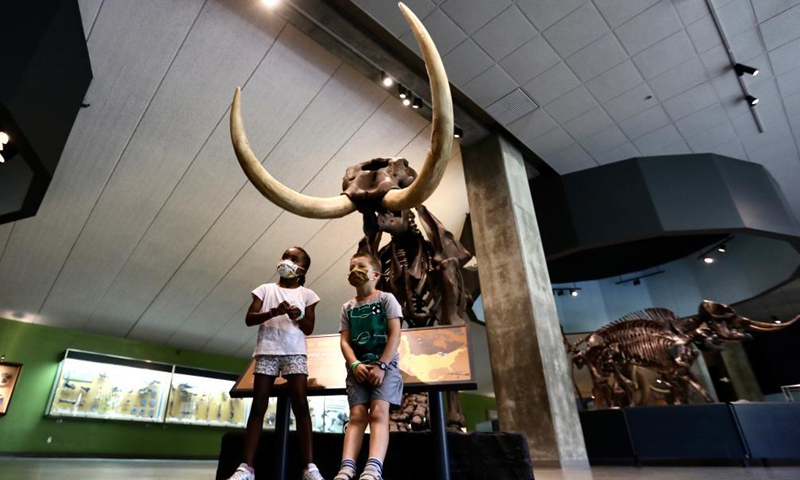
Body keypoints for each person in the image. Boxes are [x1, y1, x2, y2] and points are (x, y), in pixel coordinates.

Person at [227, 247, 324, 480]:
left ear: (302, 269)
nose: (286, 261)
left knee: (300, 404)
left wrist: (297, 315)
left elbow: (309, 327)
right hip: (267, 351)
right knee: (259, 405)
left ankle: (309, 467)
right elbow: (250, 319)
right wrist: (272, 312)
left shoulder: (307, 294)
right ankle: (246, 468)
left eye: (293, 259)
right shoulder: (265, 289)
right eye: (285, 256)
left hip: (294, 353)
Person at [334, 253, 403, 480]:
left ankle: (373, 468)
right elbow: (345, 340)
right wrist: (353, 363)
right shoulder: (347, 307)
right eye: (352, 266)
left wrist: (382, 365)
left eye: (361, 266)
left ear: (375, 274)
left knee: (379, 412)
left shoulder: (386, 299)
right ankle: (347, 467)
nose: (355, 269)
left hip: (385, 366)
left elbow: (395, 333)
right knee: (356, 415)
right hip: (358, 369)